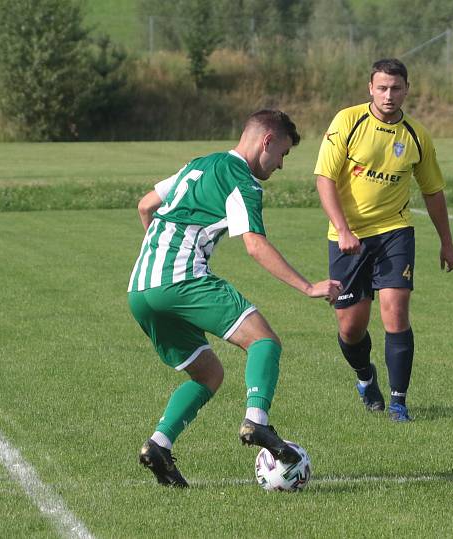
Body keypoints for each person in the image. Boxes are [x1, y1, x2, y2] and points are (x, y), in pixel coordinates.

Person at [127, 110, 342, 487]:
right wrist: (309, 287)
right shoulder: (242, 180)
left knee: (208, 374)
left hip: (141, 289)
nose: (280, 166)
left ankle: (159, 446)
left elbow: (146, 205)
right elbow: (255, 245)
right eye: (283, 155)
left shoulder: (200, 163)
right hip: (181, 280)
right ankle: (257, 422)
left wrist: (158, 256)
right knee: (264, 341)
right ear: (267, 141)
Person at [313, 58, 453, 422]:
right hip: (348, 238)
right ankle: (365, 376)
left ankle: (398, 402)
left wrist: (447, 241)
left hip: (395, 231)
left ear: (407, 89)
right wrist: (343, 229)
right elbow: (324, 179)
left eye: (396, 88)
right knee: (350, 326)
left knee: (395, 310)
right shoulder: (348, 122)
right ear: (370, 89)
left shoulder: (416, 136)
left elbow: (433, 191)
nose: (389, 95)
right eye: (382, 88)